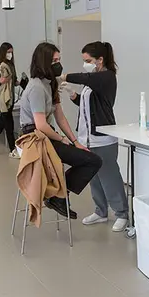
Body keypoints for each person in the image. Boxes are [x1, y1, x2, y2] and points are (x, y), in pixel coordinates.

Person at [19, 42, 102, 219]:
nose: (58, 64)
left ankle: (58, 196)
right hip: (33, 138)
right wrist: (62, 139)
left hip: (45, 135)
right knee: (92, 161)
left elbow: (60, 117)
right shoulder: (36, 88)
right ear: (43, 62)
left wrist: (75, 141)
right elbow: (40, 125)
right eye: (54, 60)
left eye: (59, 59)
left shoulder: (50, 84)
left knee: (92, 160)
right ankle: (58, 196)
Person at [60, 41, 129, 232]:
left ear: (100, 60)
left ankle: (122, 213)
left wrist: (64, 76)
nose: (85, 64)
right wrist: (74, 96)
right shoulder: (95, 80)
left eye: (88, 60)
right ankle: (100, 211)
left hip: (104, 138)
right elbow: (88, 107)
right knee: (94, 176)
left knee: (109, 176)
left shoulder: (107, 77)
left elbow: (85, 78)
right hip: (87, 138)